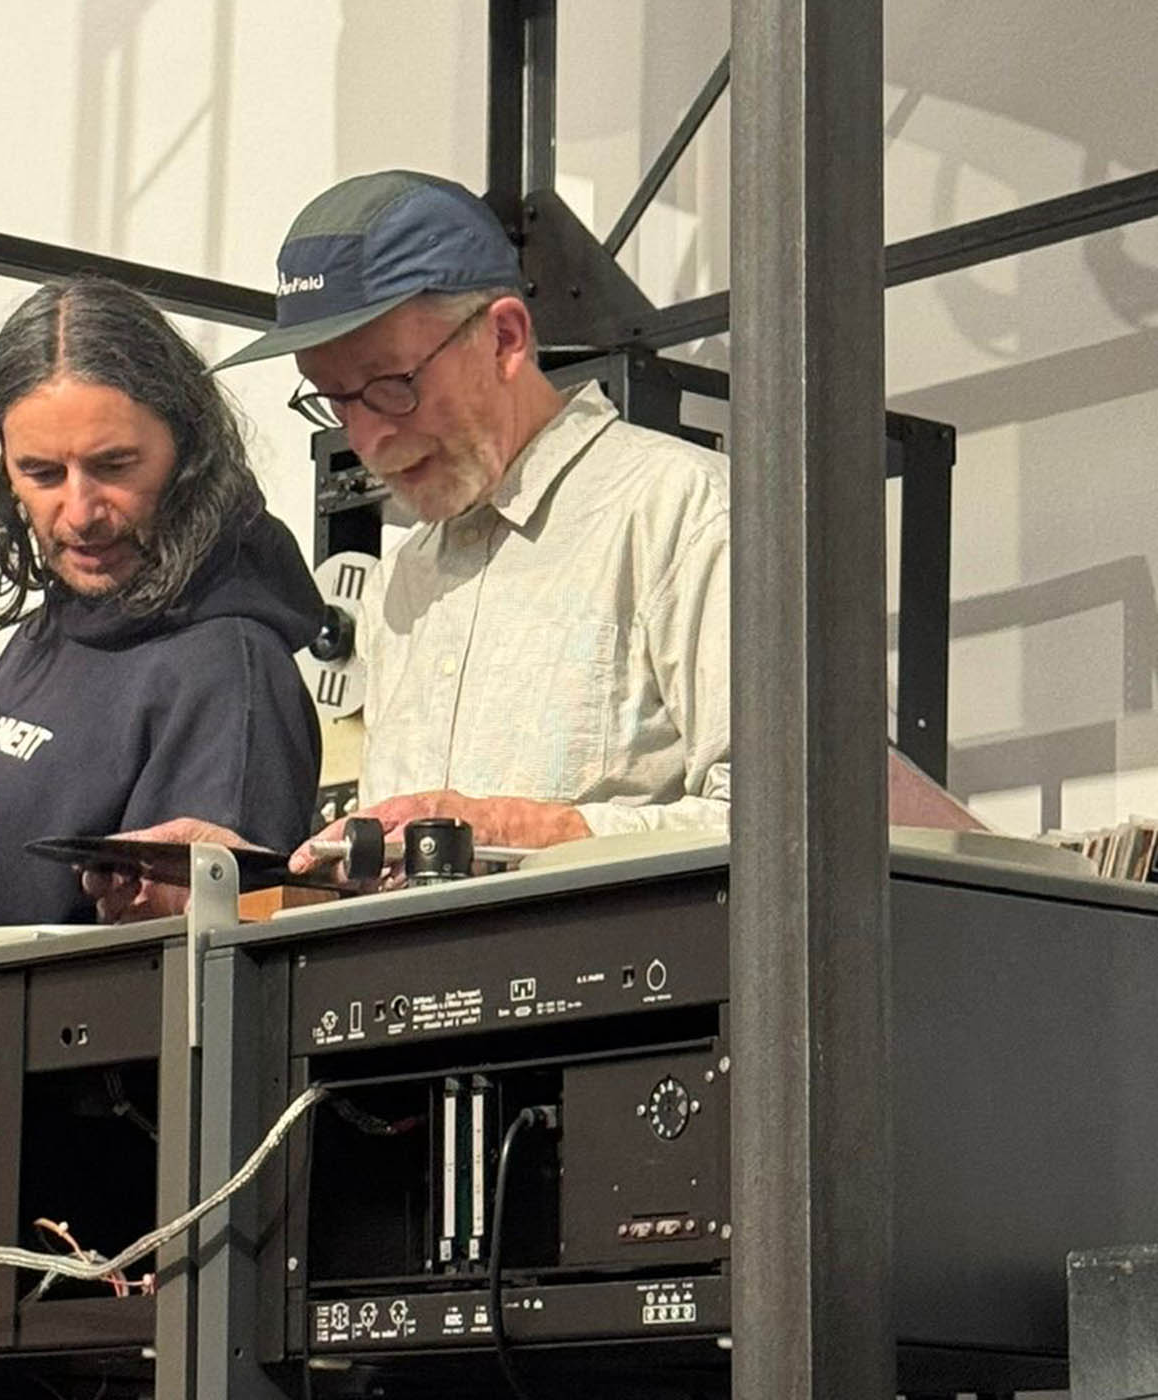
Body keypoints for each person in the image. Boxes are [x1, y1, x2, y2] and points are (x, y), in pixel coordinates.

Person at [96, 170, 729, 917]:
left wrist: (536, 832)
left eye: (391, 384)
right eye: (333, 400)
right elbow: (393, 888)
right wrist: (243, 887)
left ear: (504, 337)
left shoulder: (682, 511)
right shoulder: (404, 576)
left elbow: (803, 827)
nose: (368, 437)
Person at [0, 275, 325, 934]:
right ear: (1, 466)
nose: (80, 513)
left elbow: (205, 976)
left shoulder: (228, 669)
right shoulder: (61, 622)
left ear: (189, 449)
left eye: (116, 466)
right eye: (41, 473)